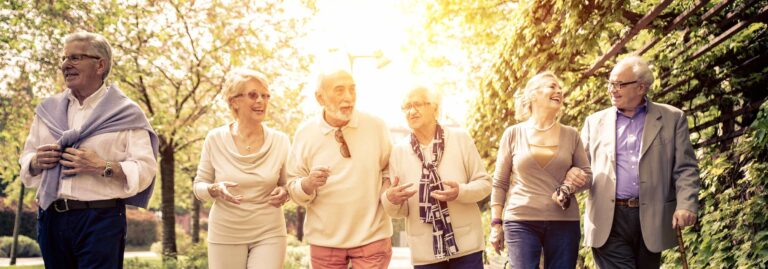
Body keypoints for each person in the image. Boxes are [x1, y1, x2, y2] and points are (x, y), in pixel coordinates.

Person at [18, 31, 158, 269]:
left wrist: (102, 166)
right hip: (51, 219)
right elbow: (26, 158)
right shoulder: (47, 110)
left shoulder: (126, 113)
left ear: (100, 65)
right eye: (64, 59)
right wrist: (35, 162)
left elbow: (145, 169)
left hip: (101, 220)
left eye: (75, 58)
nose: (65, 65)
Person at [581, 56, 700, 268]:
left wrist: (686, 204)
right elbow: (581, 168)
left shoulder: (673, 118)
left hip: (653, 217)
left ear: (641, 87)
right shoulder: (594, 122)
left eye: (619, 84)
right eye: (610, 84)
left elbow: (685, 168)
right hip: (608, 219)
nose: (612, 90)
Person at [286, 69, 393, 269]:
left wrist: (387, 189)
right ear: (320, 98)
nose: (348, 97)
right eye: (339, 90)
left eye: (352, 89)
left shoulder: (376, 126)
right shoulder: (305, 133)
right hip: (324, 241)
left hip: (372, 236)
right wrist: (308, 184)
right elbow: (292, 186)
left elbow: (391, 169)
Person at [489, 72, 592, 269]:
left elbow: (588, 176)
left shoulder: (571, 135)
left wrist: (571, 183)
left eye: (560, 88)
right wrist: (496, 224)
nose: (559, 91)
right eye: (552, 86)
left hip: (564, 221)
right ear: (533, 94)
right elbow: (500, 183)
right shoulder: (513, 134)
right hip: (521, 220)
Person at [382, 86, 491, 268]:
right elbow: (399, 212)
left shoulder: (460, 139)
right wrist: (391, 199)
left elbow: (485, 184)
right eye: (406, 107)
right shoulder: (399, 152)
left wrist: (460, 192)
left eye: (417, 104)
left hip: (466, 246)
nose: (411, 111)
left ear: (434, 107)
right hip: (425, 252)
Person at [192, 69, 290, 269]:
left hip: (269, 231)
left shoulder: (281, 141)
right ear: (234, 101)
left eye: (265, 96)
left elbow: (289, 184)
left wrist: (285, 192)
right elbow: (199, 186)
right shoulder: (215, 138)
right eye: (253, 95)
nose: (261, 101)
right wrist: (213, 189)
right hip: (226, 231)